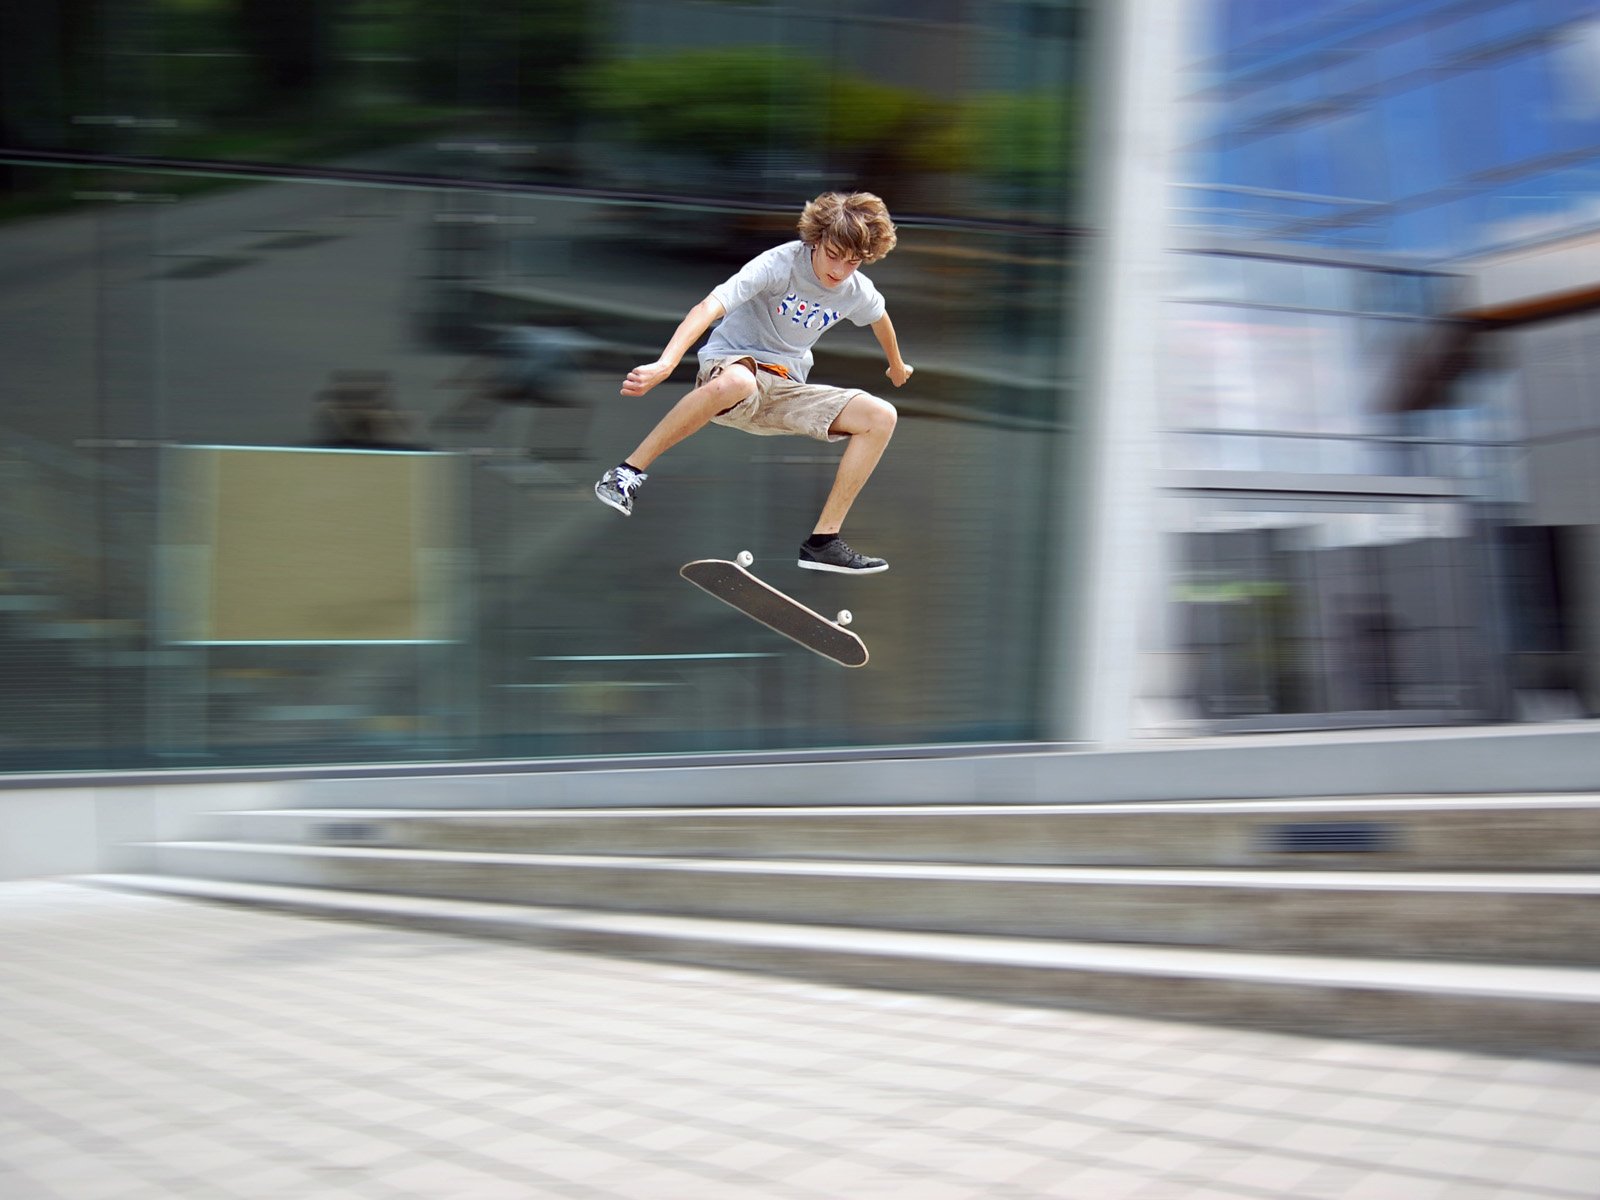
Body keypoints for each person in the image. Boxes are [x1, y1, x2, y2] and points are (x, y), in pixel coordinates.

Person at [594, 191, 912, 574]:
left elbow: (881, 319)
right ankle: (626, 473)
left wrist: (896, 365)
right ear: (817, 239)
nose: (840, 272)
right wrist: (667, 363)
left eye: (853, 262)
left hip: (783, 389)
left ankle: (823, 543)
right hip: (731, 369)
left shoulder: (855, 289)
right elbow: (709, 306)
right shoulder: (780, 264)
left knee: (882, 416)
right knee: (741, 382)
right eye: (833, 255)